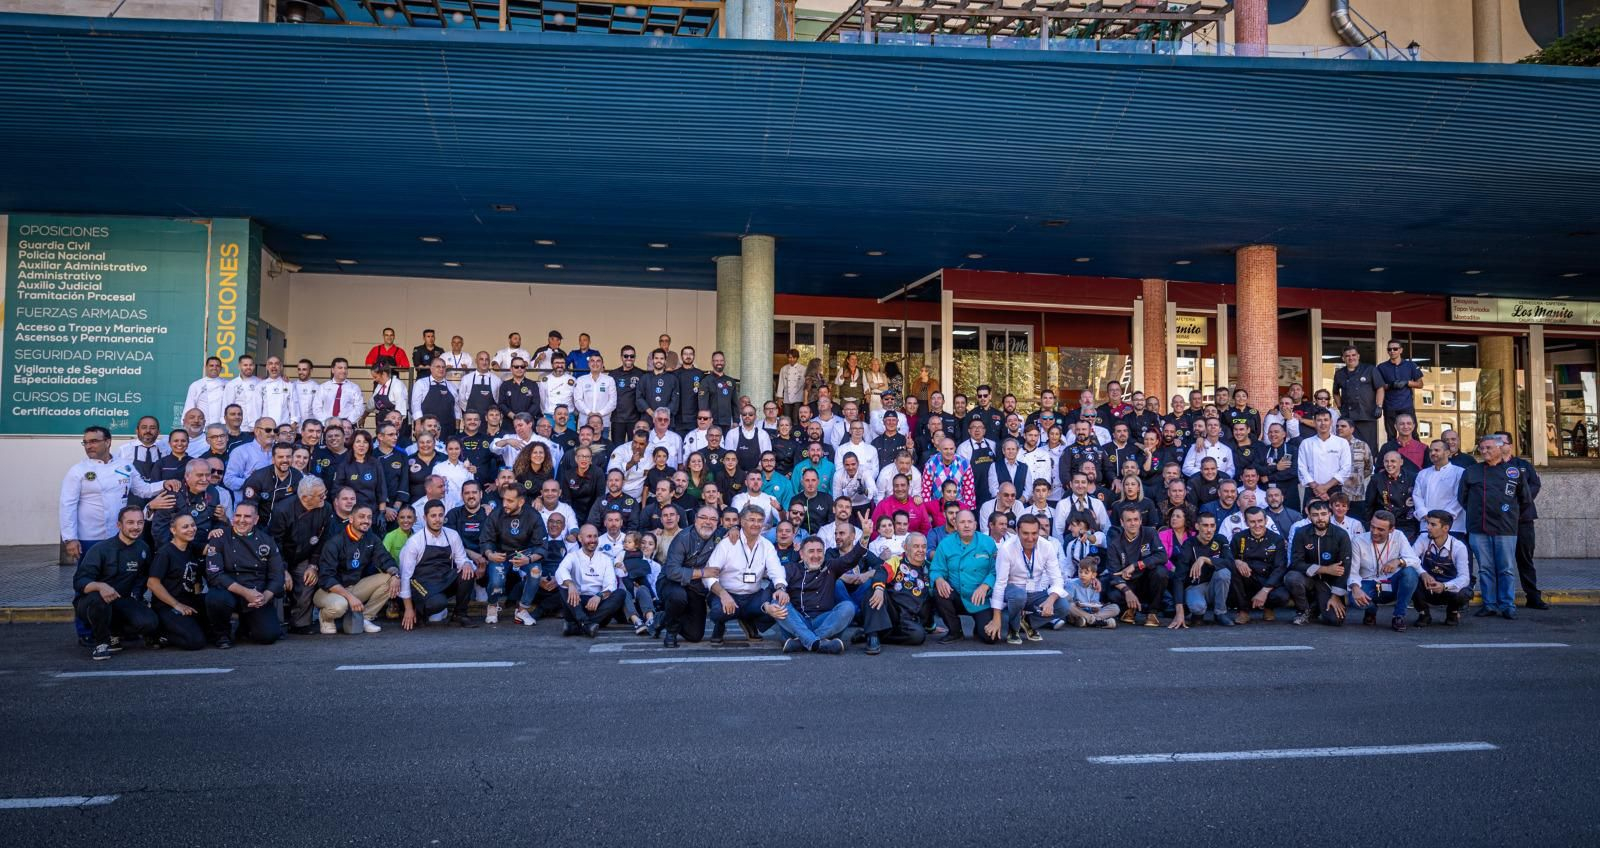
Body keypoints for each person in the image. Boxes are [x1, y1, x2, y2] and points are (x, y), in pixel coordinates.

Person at [1457, 434, 1532, 620]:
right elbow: (1462, 498)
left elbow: (1525, 499)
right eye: (1482, 448)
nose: (1485, 451)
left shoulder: (1513, 471)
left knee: (1505, 568)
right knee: (1485, 568)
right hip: (1478, 528)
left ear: (1500, 448)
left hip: (1505, 528)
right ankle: (1489, 604)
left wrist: (1510, 515)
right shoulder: (1472, 471)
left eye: (1489, 447)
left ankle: (1507, 605)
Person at [73, 506, 159, 660]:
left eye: (140, 523)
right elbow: (80, 582)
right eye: (130, 522)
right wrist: (101, 586)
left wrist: (138, 597)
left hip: (122, 600)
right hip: (93, 601)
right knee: (99, 602)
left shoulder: (143, 548)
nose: (136, 527)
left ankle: (115, 634)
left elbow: (144, 577)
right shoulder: (100, 549)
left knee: (149, 623)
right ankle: (101, 644)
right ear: (119, 525)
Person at [204, 501, 286, 648]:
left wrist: (264, 597)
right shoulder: (219, 537)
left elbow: (277, 574)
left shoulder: (266, 540)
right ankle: (222, 634)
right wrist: (245, 592)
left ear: (256, 520)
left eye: (247, 516)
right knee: (215, 598)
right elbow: (215, 574)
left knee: (268, 636)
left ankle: (246, 626)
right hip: (230, 590)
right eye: (238, 515)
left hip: (256, 592)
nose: (241, 520)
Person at [704, 506, 789, 645]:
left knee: (779, 603)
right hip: (728, 594)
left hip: (753, 596)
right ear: (742, 522)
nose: (756, 524)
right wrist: (723, 594)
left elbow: (776, 571)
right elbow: (710, 574)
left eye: (760, 521)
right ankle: (720, 624)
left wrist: (780, 588)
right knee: (718, 612)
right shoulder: (727, 543)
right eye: (752, 520)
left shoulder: (767, 545)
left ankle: (748, 619)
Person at [771, 534, 868, 654]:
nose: (816, 555)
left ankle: (803, 642)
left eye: (819, 551)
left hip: (825, 622)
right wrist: (768, 606)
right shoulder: (791, 568)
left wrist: (866, 534)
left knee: (848, 607)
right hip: (798, 622)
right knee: (777, 602)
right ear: (801, 554)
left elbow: (851, 558)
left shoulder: (830, 566)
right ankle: (818, 643)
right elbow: (772, 590)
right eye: (811, 551)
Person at [314, 505, 398, 634]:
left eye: (369, 517)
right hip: (329, 591)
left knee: (390, 579)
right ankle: (325, 618)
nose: (366, 521)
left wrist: (396, 575)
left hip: (354, 587)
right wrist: (349, 597)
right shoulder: (335, 542)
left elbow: (385, 559)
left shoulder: (372, 538)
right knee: (340, 605)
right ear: (351, 519)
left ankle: (365, 618)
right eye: (361, 517)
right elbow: (326, 578)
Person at [398, 500, 479, 629]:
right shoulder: (415, 542)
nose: (437, 519)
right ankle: (417, 613)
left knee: (468, 572)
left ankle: (460, 614)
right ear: (425, 518)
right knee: (438, 603)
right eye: (433, 516)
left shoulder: (452, 535)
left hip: (443, 579)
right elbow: (405, 576)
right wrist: (408, 608)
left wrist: (466, 563)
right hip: (421, 582)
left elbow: (461, 559)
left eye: (440, 515)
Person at [60, 425, 134, 566]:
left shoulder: (124, 466)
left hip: (118, 535)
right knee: (89, 580)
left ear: (107, 442)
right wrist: (70, 539)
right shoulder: (77, 470)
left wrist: (165, 483)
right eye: (86, 442)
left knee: (117, 578)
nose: (88, 446)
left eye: (93, 441)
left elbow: (143, 489)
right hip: (88, 538)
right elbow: (67, 505)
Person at [928, 510, 1000, 644]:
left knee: (991, 638)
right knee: (939, 591)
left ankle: (978, 629)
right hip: (957, 596)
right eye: (962, 522)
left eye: (969, 522)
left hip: (981, 598)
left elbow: (996, 570)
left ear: (975, 524)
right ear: (955, 525)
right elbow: (936, 569)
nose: (966, 526)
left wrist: (985, 586)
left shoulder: (988, 542)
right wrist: (939, 579)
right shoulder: (945, 544)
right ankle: (955, 631)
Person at [991, 515, 1067, 643]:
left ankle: (1028, 623)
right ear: (1017, 531)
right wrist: (996, 618)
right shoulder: (1007, 548)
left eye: (1034, 533)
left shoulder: (1047, 546)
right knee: (1019, 596)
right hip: (1012, 592)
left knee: (1063, 606)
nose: (1030, 538)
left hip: (1034, 592)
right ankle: (1013, 628)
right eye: (1025, 533)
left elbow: (1057, 579)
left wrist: (1050, 600)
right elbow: (1000, 584)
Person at [1345, 509, 1422, 632]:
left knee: (1410, 572)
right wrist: (1355, 588)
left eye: (1381, 529)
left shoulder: (1398, 535)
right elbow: (1353, 570)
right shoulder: (1358, 540)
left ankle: (1398, 616)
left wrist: (1398, 561)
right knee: (1354, 599)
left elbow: (1415, 560)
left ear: (1391, 530)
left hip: (1391, 582)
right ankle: (1371, 610)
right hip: (1369, 583)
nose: (1375, 532)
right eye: (1372, 527)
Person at [145, 512, 207, 650]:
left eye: (193, 525)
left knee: (210, 635)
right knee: (195, 642)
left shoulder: (191, 547)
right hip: (168, 606)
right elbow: (152, 583)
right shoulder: (165, 553)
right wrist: (177, 605)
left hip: (188, 603)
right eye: (185, 527)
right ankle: (159, 633)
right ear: (173, 530)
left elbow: (196, 579)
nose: (191, 529)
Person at [1288, 500, 1353, 627]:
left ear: (1330, 513)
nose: (1320, 518)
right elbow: (1296, 563)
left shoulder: (1341, 535)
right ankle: (1303, 611)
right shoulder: (1301, 533)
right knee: (1291, 577)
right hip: (1308, 578)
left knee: (1335, 621)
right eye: (1315, 515)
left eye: (1323, 514)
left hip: (1329, 583)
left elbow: (1345, 567)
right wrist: (1324, 569)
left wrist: (1336, 595)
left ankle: (1316, 606)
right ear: (1309, 516)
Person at [1500, 433, 1546, 610]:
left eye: (1501, 442)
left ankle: (1533, 596)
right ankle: (1502, 598)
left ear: (1509, 446)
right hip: (1501, 522)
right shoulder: (1491, 467)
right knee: (1502, 562)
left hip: (1523, 519)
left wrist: (1518, 502)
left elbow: (1535, 485)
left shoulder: (1523, 465)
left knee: (1525, 559)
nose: (1497, 445)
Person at [1102, 504, 1168, 627]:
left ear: (1141, 521)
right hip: (1129, 583)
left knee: (1161, 573)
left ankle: (1152, 613)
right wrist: (1127, 591)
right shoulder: (1115, 543)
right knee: (1114, 595)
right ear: (1122, 522)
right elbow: (1114, 573)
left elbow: (1162, 556)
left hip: (1147, 581)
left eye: (1136, 519)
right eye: (1129, 520)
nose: (1133, 523)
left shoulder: (1150, 533)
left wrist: (1136, 565)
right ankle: (1129, 609)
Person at [553, 524, 623, 637]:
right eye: (589, 536)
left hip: (598, 606)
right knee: (563, 586)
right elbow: (560, 571)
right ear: (580, 538)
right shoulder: (572, 556)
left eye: (595, 536)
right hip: (576, 603)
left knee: (620, 593)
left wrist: (599, 596)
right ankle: (586, 624)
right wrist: (570, 584)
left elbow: (611, 584)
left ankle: (576, 626)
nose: (593, 540)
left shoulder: (605, 559)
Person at [1410, 510, 1473, 626]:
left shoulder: (1459, 547)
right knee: (1409, 576)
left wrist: (1444, 586)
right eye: (1428, 523)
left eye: (1433, 525)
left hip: (1448, 590)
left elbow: (1465, 577)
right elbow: (1411, 559)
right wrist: (1423, 573)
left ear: (1445, 528)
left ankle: (1453, 612)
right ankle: (1424, 614)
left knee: (1465, 592)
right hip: (1427, 587)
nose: (1428, 527)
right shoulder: (1423, 538)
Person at [1412, 439, 1466, 540]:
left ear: (1447, 453)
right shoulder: (1423, 473)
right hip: (1427, 525)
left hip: (1452, 527)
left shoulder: (1459, 472)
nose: (1433, 453)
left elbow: (1459, 497)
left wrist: (1443, 519)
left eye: (1437, 450)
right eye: (1431, 451)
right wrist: (1425, 515)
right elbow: (1417, 496)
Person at [1297, 409, 1351, 508]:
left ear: (1331, 422)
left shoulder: (1342, 443)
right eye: (1319, 420)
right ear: (1314, 422)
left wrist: (1325, 487)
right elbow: (1301, 468)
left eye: (1326, 420)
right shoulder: (1306, 443)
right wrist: (1317, 488)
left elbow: (1346, 468)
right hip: (1312, 490)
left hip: (1335, 489)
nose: (1323, 423)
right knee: (1311, 520)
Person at [1331, 345, 1381, 451]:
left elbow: (1380, 388)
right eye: (1347, 356)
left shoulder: (1370, 369)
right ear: (1343, 358)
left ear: (1358, 356)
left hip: (1367, 414)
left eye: (1353, 355)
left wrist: (1379, 406)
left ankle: (1370, 467)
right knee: (1347, 446)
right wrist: (1340, 407)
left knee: (1368, 446)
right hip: (1348, 417)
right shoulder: (1339, 373)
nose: (1351, 358)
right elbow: (1335, 393)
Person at [1376, 339, 1425, 444]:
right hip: (1389, 406)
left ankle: (1419, 458)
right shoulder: (1381, 367)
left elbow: (1420, 384)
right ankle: (1393, 458)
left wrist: (1407, 383)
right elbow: (1378, 386)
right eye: (1389, 349)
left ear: (1401, 350)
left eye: (1395, 349)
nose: (1392, 351)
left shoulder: (1410, 365)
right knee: (1391, 435)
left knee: (1413, 434)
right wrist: (1390, 385)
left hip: (1406, 405)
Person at [183, 356, 228, 426]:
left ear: (221, 368)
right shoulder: (196, 385)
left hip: (223, 426)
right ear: (206, 367)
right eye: (211, 365)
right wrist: (185, 424)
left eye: (217, 366)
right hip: (202, 427)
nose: (214, 368)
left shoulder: (228, 384)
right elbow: (189, 406)